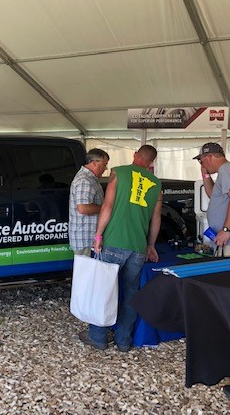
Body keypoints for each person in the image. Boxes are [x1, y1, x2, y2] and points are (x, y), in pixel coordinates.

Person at [78, 145, 162, 352]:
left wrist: (98, 235)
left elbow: (107, 206)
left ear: (135, 155)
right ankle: (123, 340)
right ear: (152, 162)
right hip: (138, 247)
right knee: (131, 294)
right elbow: (156, 218)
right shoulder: (157, 184)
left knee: (103, 290)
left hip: (114, 241)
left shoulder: (119, 172)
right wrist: (150, 245)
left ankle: (98, 337)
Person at [68, 148, 110, 256]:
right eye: (104, 164)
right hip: (85, 238)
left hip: (89, 236)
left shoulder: (91, 178)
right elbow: (83, 208)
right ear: (94, 163)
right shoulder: (84, 180)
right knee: (86, 271)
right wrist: (106, 208)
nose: (105, 168)